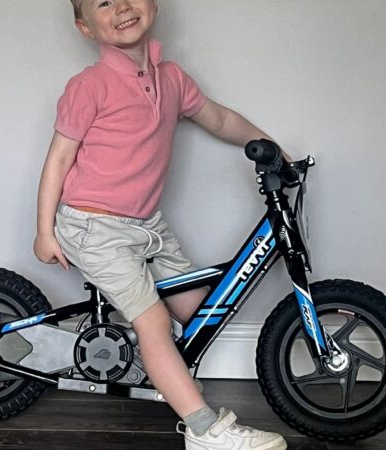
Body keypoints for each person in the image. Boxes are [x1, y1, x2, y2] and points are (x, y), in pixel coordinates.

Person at [34, 1, 288, 449]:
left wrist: (273, 149)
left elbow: (220, 119)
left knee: (201, 311)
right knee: (153, 321)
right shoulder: (88, 85)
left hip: (146, 225)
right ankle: (204, 429)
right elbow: (59, 159)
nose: (122, 6)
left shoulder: (171, 78)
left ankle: (155, 365)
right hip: (94, 226)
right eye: (103, 2)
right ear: (86, 28)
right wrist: (43, 230)